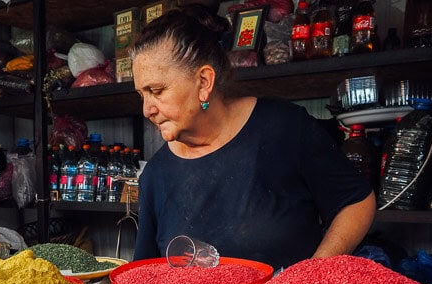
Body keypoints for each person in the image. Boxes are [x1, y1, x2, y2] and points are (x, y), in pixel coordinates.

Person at [130, 6, 376, 268]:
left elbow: (355, 202)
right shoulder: (155, 176)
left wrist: (312, 273)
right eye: (141, 95)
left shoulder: (283, 128)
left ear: (203, 82)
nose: (147, 110)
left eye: (156, 90)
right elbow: (145, 273)